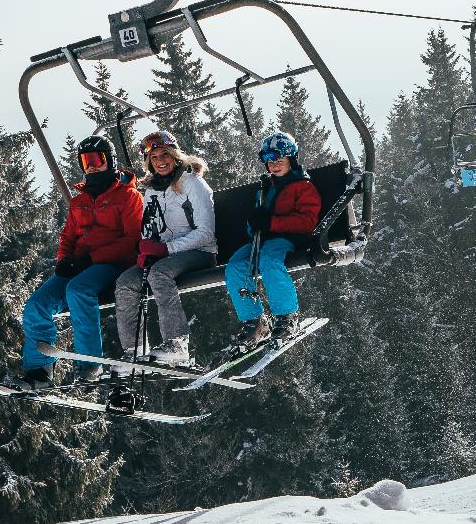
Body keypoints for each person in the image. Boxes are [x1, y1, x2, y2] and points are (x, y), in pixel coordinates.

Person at [16, 135, 143, 385]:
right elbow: (68, 236)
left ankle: (89, 364)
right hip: (80, 266)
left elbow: (132, 240)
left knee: (78, 290)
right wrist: (64, 259)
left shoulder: (128, 196)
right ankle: (39, 372)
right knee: (36, 306)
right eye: (86, 162)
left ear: (111, 161)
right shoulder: (79, 201)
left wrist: (91, 259)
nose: (92, 166)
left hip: (113, 264)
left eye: (97, 159)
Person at [115, 129, 216, 368]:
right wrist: (147, 248)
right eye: (155, 158)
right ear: (148, 163)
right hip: (165, 255)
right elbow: (151, 227)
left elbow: (205, 233)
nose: (161, 161)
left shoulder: (192, 183)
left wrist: (166, 249)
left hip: (200, 252)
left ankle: (177, 343)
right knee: (125, 282)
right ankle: (134, 350)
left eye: (165, 155)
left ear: (174, 155)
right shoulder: (151, 190)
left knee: (159, 274)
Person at [223, 130, 321, 349]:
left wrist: (271, 223)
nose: (274, 164)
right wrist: (256, 223)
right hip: (263, 239)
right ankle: (254, 320)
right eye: (268, 160)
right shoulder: (265, 188)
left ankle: (287, 316)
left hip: (289, 238)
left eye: (279, 159)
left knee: (269, 261)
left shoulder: (303, 186)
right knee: (235, 266)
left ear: (291, 159)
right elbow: (256, 223)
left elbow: (307, 222)